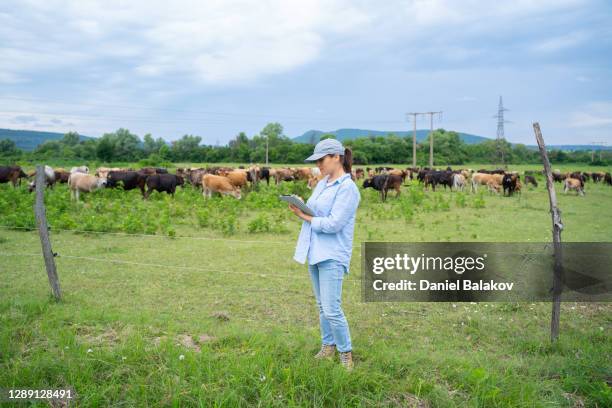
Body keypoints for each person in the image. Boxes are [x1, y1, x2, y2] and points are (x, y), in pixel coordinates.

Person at [287, 138, 361, 370]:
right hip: (315, 250)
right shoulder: (323, 183)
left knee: (332, 308)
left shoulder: (348, 188)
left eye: (321, 159)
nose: (318, 164)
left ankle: (345, 354)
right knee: (322, 307)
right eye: (317, 160)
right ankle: (327, 346)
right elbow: (318, 210)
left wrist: (305, 217)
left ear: (336, 157)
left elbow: (334, 223)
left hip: (332, 254)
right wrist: (301, 205)